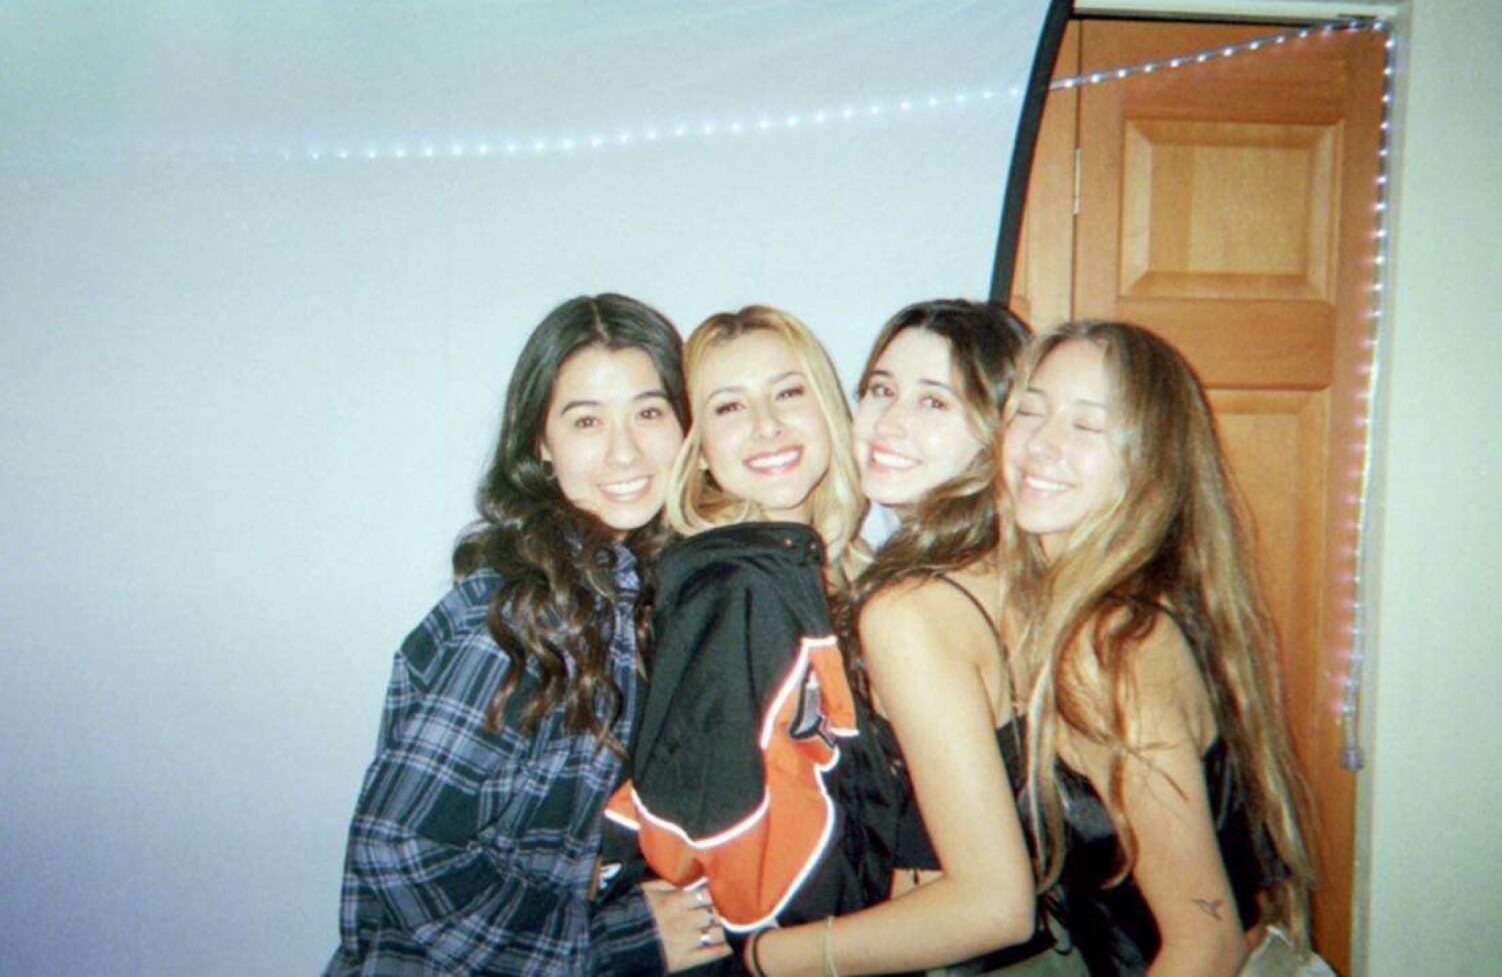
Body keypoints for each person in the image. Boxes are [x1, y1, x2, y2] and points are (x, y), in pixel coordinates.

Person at [326, 294, 731, 976]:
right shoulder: (523, 616)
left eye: (648, 412)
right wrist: (610, 943)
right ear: (542, 446)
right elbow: (397, 847)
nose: (625, 451)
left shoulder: (627, 594)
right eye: (586, 421)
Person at [744, 298, 1070, 976]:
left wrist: (765, 959)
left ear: (999, 427)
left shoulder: (910, 611)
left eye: (934, 403)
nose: (890, 423)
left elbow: (994, 904)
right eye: (881, 390)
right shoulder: (1013, 565)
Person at [999, 321, 1317, 976]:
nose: (1041, 443)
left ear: (1150, 459)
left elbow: (1208, 944)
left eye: (1087, 425)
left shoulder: (1108, 643)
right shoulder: (1113, 600)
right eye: (1030, 411)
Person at [606, 305, 885, 944]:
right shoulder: (732, 592)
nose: (767, 425)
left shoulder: (836, 573)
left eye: (788, 393)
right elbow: (721, 858)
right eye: (729, 407)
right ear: (699, 451)